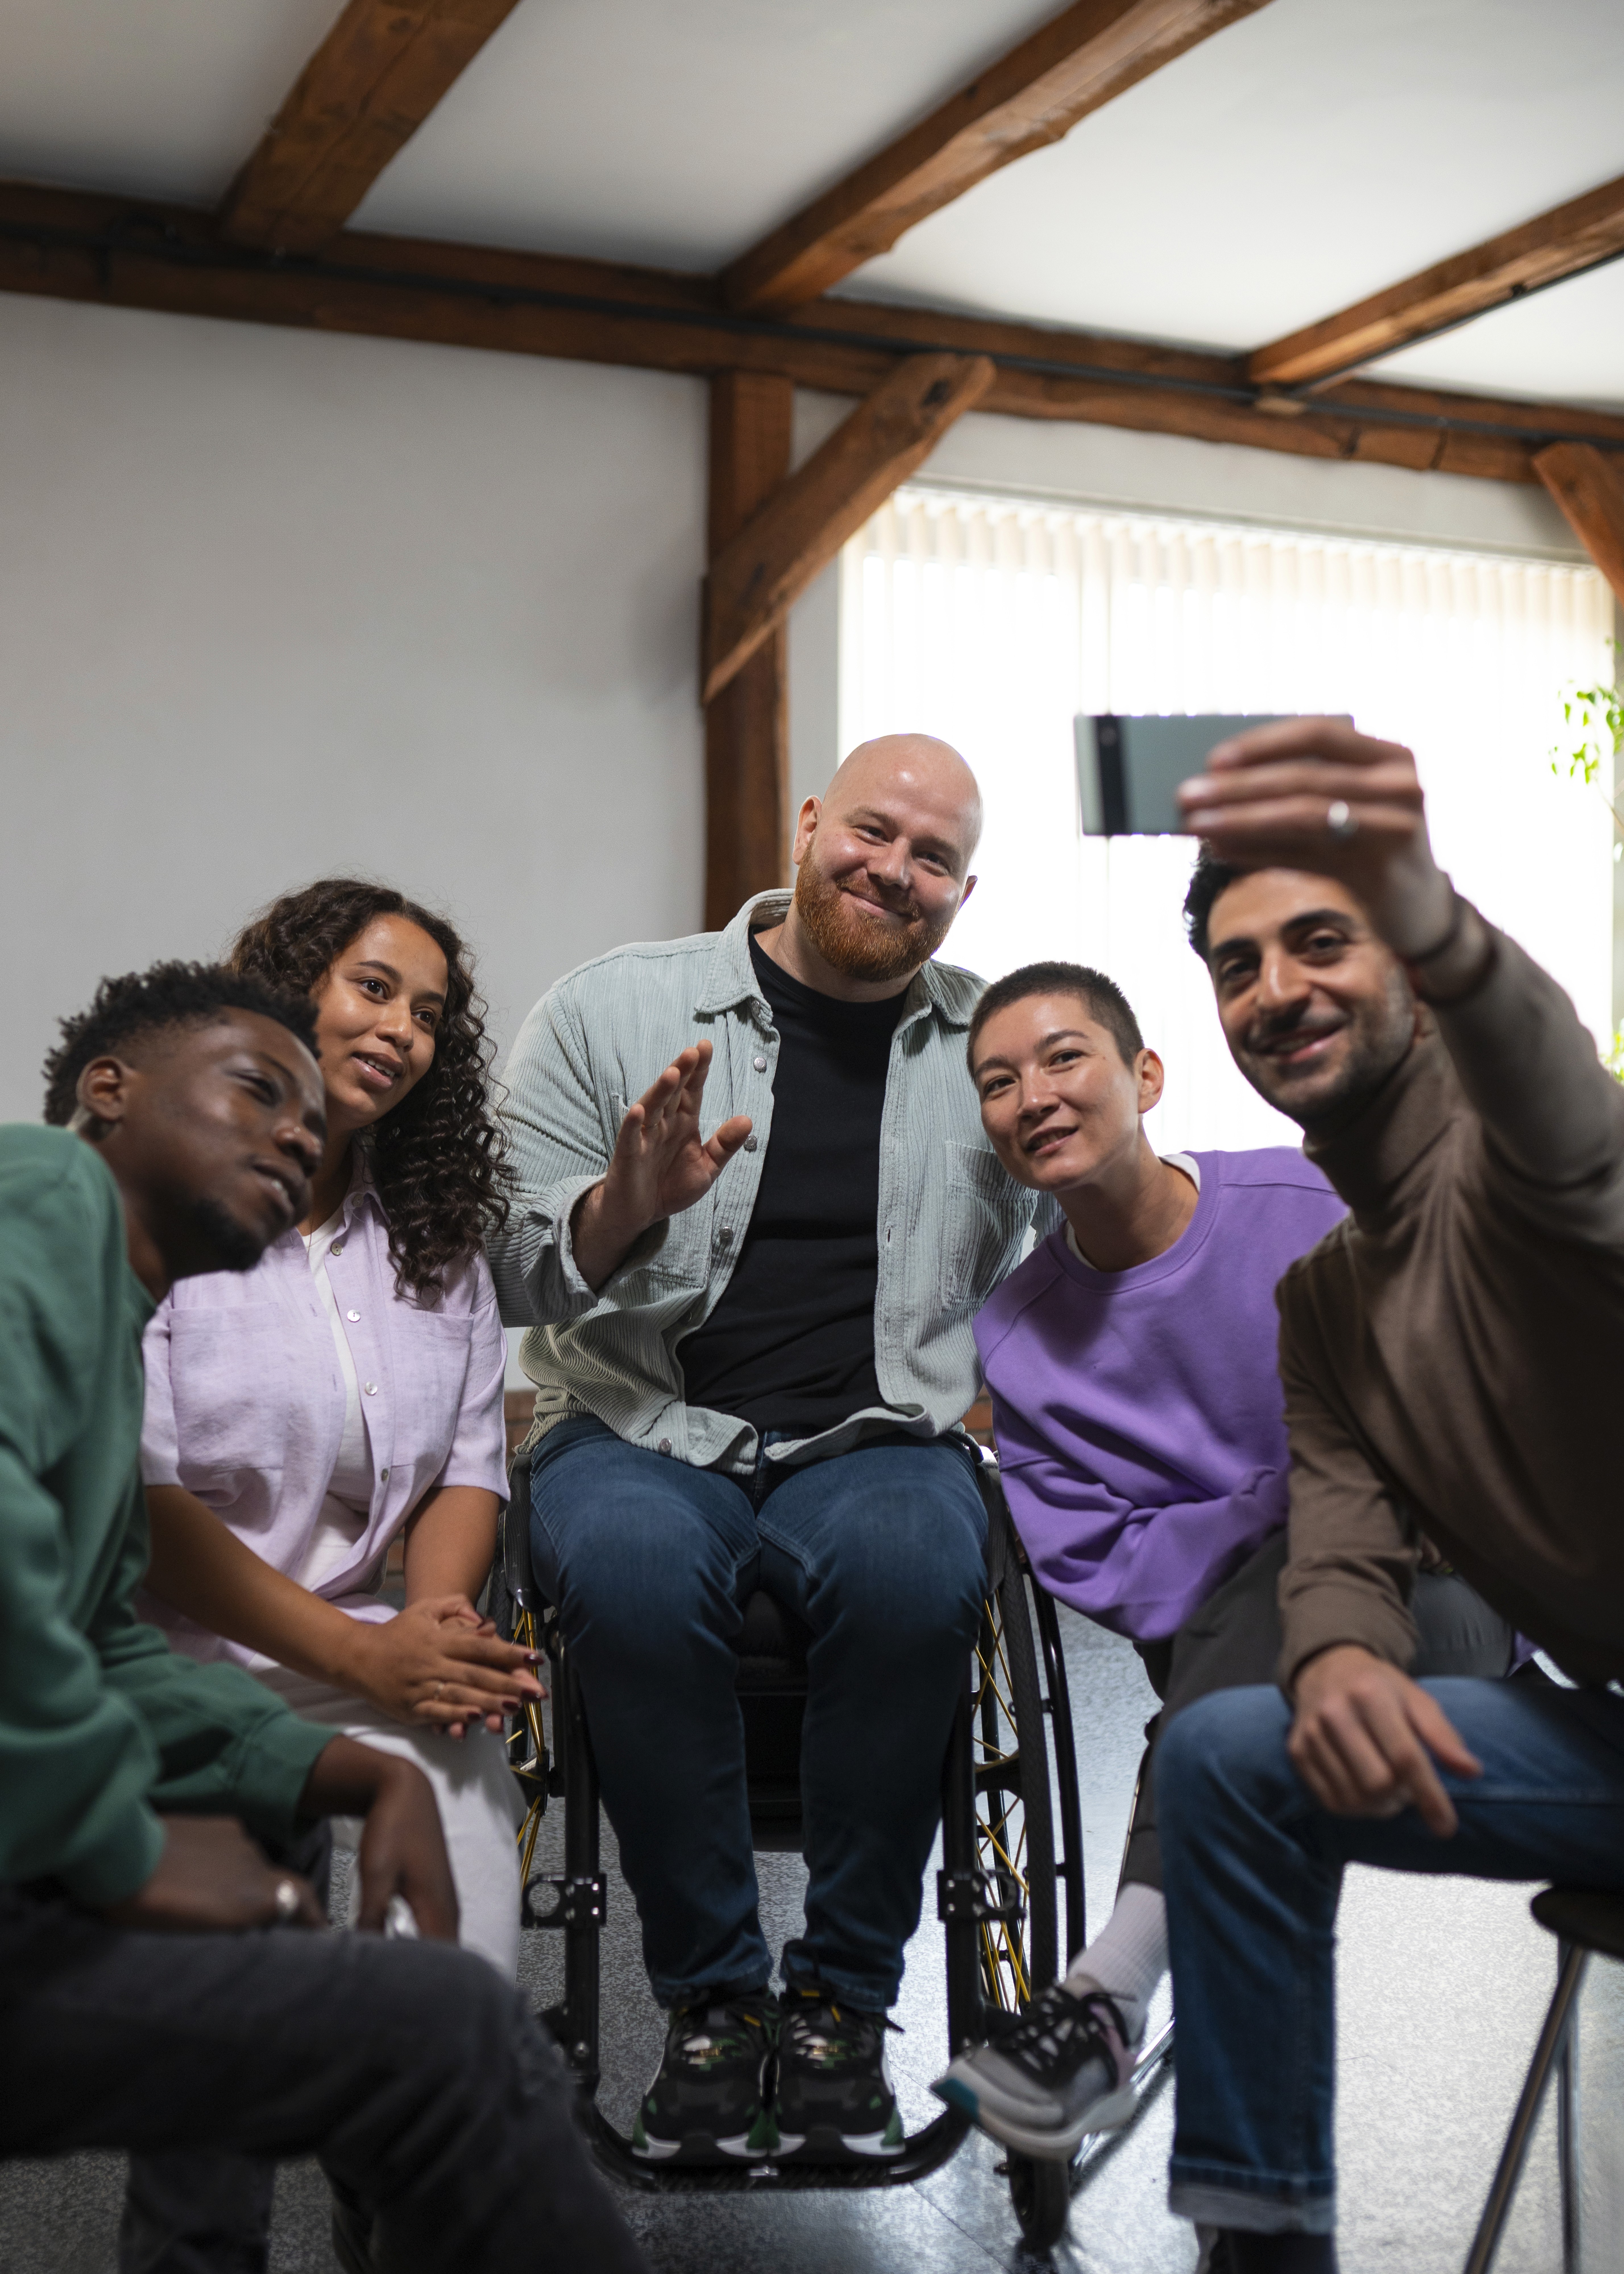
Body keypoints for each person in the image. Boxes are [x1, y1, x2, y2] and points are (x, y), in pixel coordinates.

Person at [4, 961, 647, 2274]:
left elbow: (107, 1642)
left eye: (307, 1120)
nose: (296, 1131)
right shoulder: (41, 1195)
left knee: (404, 1997)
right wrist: (124, 1851)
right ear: (106, 1090)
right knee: (449, 2034)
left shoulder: (111, 1314)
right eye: (255, 1089)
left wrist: (348, 1768)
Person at [490, 734, 1042, 2164]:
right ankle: (717, 2000)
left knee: (930, 1564)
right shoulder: (613, 1009)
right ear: (808, 823)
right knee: (621, 1559)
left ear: (963, 890)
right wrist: (625, 1205)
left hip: (876, 1432)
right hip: (632, 1418)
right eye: (873, 831)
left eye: (932, 857)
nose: (893, 869)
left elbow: (1077, 1243)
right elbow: (502, 1259)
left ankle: (843, 2004)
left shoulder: (992, 1049)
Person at [1143, 719, 1624, 2274]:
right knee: (1226, 1755)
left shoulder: (1535, 1173)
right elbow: (1339, 1545)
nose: (1273, 987)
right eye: (1236, 966)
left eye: (1322, 939)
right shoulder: (1324, 1304)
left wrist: (1424, 903)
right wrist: (1339, 1654)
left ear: (1412, 972)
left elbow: (1554, 1086)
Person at [931, 960, 1513, 2158]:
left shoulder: (1307, 1205)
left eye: (1062, 1058)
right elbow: (1110, 1571)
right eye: (997, 1080)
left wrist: (1309, 1505)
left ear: (1145, 1075)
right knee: (1288, 1581)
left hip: (1443, 1612)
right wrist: (1306, 1494)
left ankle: (1107, 1989)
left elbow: (1465, 1403)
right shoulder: (1020, 1339)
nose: (1031, 1094)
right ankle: (1248, 2217)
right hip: (1229, 1667)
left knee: (1300, 1560)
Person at [135, 881, 536, 1980]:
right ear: (282, 993)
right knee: (220, 2009)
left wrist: (435, 1638)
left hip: (364, 1639)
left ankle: (422, 2095)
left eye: (427, 1016)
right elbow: (144, 1505)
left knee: (464, 1927)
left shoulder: (433, 1236)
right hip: (161, 1656)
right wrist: (369, 1655)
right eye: (373, 989)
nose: (401, 1031)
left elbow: (468, 1467)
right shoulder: (156, 1205)